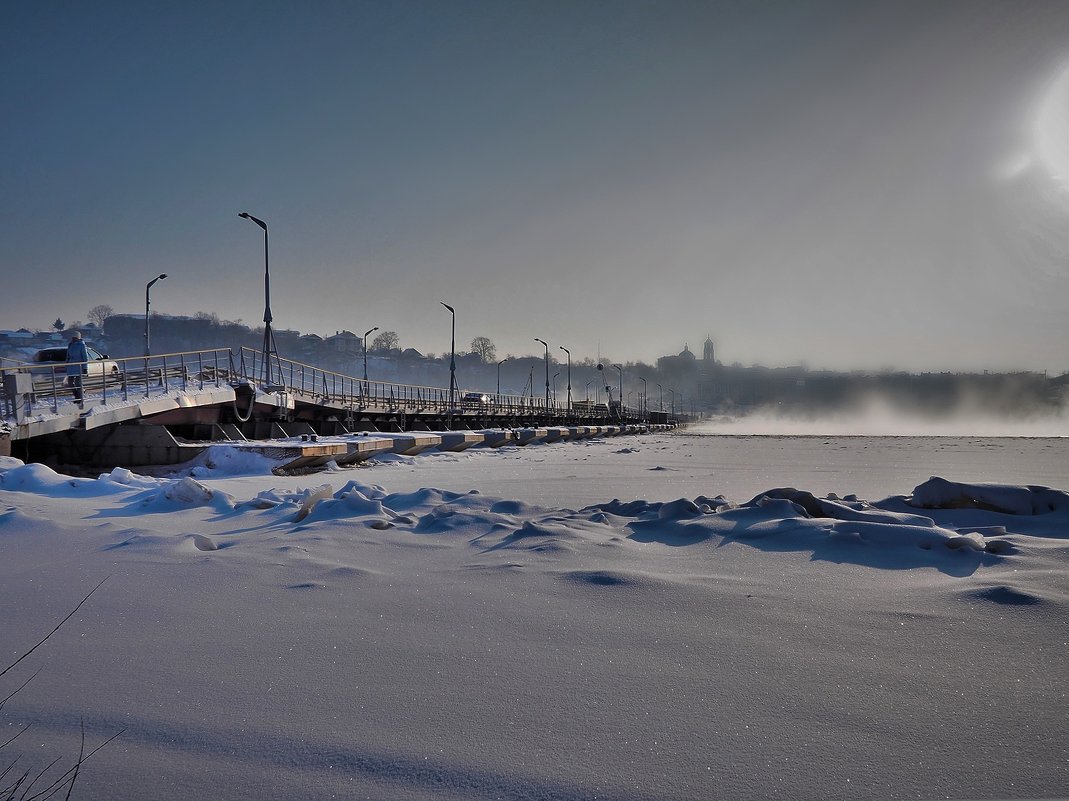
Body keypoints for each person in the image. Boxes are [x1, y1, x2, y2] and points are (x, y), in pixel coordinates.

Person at [65, 331, 89, 404]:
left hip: (79, 367)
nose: (73, 339)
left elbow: (85, 357)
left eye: (74, 337)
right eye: (72, 337)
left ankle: (80, 398)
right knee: (70, 383)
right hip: (71, 367)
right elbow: (68, 356)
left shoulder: (81, 345)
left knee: (78, 383)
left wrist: (85, 368)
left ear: (78, 337)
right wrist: (67, 364)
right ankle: (77, 396)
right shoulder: (70, 345)